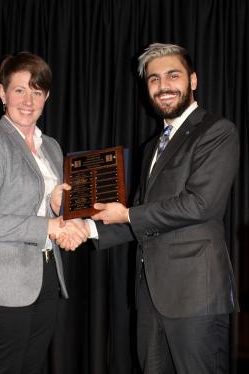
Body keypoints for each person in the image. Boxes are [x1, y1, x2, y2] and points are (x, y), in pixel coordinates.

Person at [60, 43, 240, 373]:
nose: (163, 86)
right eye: (154, 79)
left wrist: (127, 214)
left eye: (173, 75)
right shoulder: (152, 147)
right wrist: (86, 228)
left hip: (195, 296)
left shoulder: (217, 131)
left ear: (194, 80)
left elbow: (200, 204)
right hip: (149, 297)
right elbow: (144, 215)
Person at [0, 51, 88, 374]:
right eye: (19, 90)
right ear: (2, 93)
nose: (28, 100)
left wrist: (61, 208)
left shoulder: (52, 147)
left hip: (47, 277)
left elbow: (46, 207)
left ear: (46, 96)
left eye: (37, 91)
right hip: (3, 286)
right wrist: (48, 225)